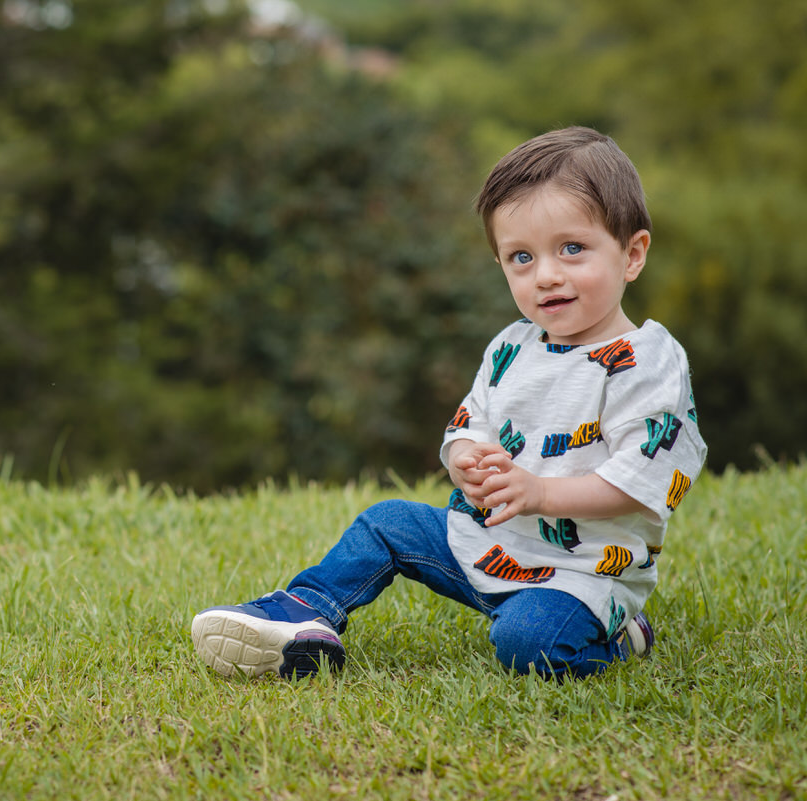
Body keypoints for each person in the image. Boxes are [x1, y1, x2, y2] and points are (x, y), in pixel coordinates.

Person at [190, 126, 707, 681]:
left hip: (580, 574)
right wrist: (464, 460)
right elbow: (469, 424)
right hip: (482, 542)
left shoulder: (648, 361)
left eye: (572, 249)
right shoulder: (513, 345)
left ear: (632, 254)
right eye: (521, 258)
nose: (547, 275)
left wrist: (539, 492)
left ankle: (618, 634)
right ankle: (305, 616)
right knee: (387, 521)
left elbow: (641, 483)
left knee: (526, 643)